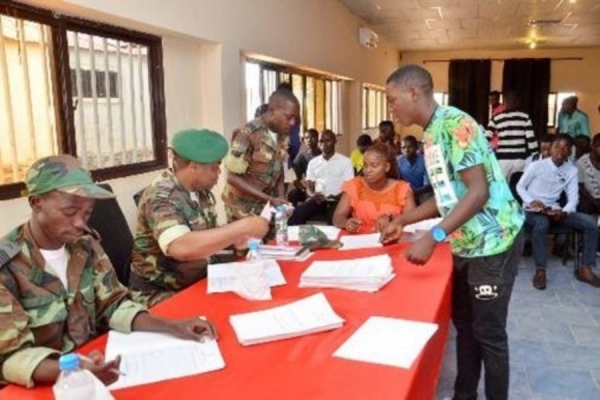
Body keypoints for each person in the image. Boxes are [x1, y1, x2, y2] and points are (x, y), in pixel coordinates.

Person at [0, 155, 217, 388]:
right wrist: (77, 369)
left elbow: (114, 304)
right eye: (69, 212)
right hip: (43, 384)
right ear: (35, 202)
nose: (79, 223)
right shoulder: (8, 266)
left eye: (86, 213)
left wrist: (172, 326)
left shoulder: (85, 245)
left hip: (96, 364)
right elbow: (11, 358)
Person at [381, 65, 525, 400]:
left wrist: (434, 237)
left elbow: (477, 193)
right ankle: (464, 394)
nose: (392, 108)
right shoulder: (431, 133)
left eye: (392, 100)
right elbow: (447, 197)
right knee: (465, 327)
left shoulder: (456, 124)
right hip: (466, 243)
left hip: (494, 242)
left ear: (414, 92)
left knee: (488, 333)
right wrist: (404, 220)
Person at [130, 129, 269, 306]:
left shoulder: (199, 191)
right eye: (214, 167)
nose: (218, 173)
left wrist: (236, 239)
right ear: (193, 167)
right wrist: (242, 227)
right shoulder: (160, 196)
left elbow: (206, 235)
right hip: (159, 293)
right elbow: (181, 247)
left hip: (196, 279)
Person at [517, 134, 600, 289]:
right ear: (550, 149)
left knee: (590, 223)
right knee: (541, 224)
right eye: (557, 146)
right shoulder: (537, 166)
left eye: (565, 148)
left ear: (570, 151)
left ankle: (585, 269)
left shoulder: (571, 170)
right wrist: (531, 201)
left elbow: (573, 198)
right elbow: (520, 187)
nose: (560, 151)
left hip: (555, 211)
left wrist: (564, 212)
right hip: (533, 210)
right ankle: (541, 271)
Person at [222, 88, 300, 222]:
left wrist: (281, 197)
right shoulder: (248, 133)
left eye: (295, 118)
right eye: (288, 117)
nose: (292, 122)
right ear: (272, 111)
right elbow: (232, 178)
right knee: (249, 243)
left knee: (271, 242)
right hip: (242, 208)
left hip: (268, 207)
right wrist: (270, 199)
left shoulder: (282, 134)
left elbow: (279, 169)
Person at [333, 142, 415, 233]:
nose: (367, 170)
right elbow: (338, 216)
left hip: (392, 240)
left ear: (387, 167)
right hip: (360, 240)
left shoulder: (402, 190)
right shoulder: (355, 185)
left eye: (374, 165)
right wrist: (346, 223)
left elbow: (412, 221)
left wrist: (391, 218)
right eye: (365, 165)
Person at [287, 129, 354, 225]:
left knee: (334, 221)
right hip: (317, 200)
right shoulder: (313, 163)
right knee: (295, 215)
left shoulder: (345, 162)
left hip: (337, 201)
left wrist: (336, 197)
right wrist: (313, 195)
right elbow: (309, 187)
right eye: (321, 141)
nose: (324, 144)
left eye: (328, 141)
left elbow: (349, 187)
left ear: (335, 141)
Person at [486, 91, 538, 179]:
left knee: (503, 187)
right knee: (517, 186)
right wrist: (535, 154)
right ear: (518, 102)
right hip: (520, 159)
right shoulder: (525, 117)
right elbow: (531, 139)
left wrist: (487, 155)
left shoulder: (496, 118)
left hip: (503, 159)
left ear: (504, 102)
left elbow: (486, 138)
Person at [287, 128, 321, 206]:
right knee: (293, 195)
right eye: (306, 138)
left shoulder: (324, 154)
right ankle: (293, 215)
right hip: (309, 188)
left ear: (317, 138)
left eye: (312, 137)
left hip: (324, 187)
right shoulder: (302, 157)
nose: (309, 140)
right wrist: (304, 189)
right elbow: (295, 178)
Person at [577, 133, 600, 217]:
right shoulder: (582, 162)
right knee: (585, 206)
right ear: (592, 146)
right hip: (589, 199)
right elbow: (580, 185)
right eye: (598, 146)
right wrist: (594, 200)